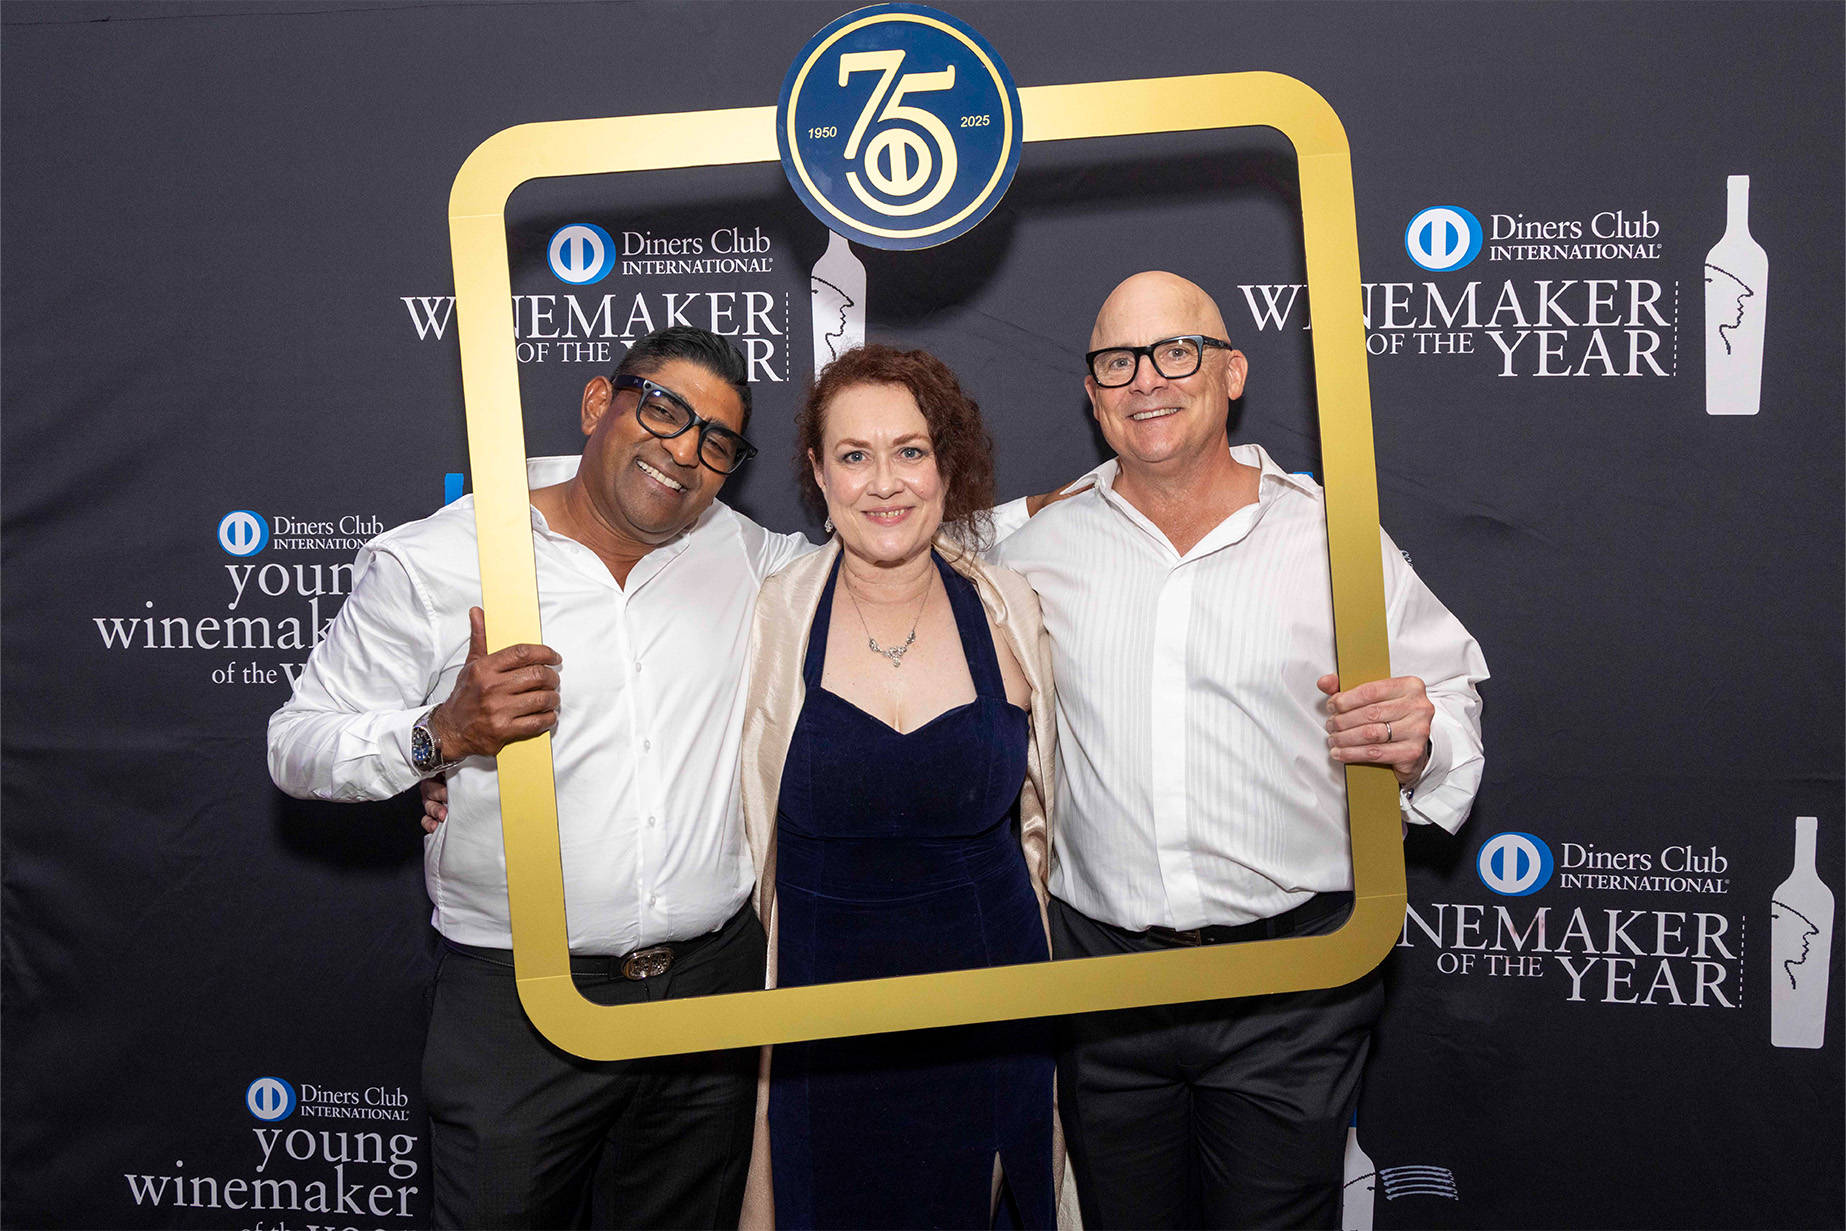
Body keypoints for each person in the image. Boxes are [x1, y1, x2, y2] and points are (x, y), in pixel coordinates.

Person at [267, 326, 815, 1230]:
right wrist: (440, 734)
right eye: (665, 411)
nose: (685, 452)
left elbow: (891, 542)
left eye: (717, 442)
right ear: (600, 402)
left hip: (707, 994)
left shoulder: (746, 553)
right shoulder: (442, 558)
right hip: (517, 1010)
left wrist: (1046, 511)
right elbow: (296, 745)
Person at [991, 272, 1489, 1230]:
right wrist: (1024, 507)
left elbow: (1451, 690)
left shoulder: (1332, 536)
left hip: (1291, 987)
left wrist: (1422, 738)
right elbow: (892, 538)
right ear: (1093, 395)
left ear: (1232, 373)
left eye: (1176, 352)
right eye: (1118, 362)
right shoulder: (1038, 549)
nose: (1147, 379)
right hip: (1104, 983)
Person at [737, 345, 1061, 1230]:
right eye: (855, 454)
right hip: (821, 1012)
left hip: (991, 1001)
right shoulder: (770, 614)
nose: (885, 482)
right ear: (818, 472)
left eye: (910, 451)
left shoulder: (1011, 607)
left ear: (946, 465)